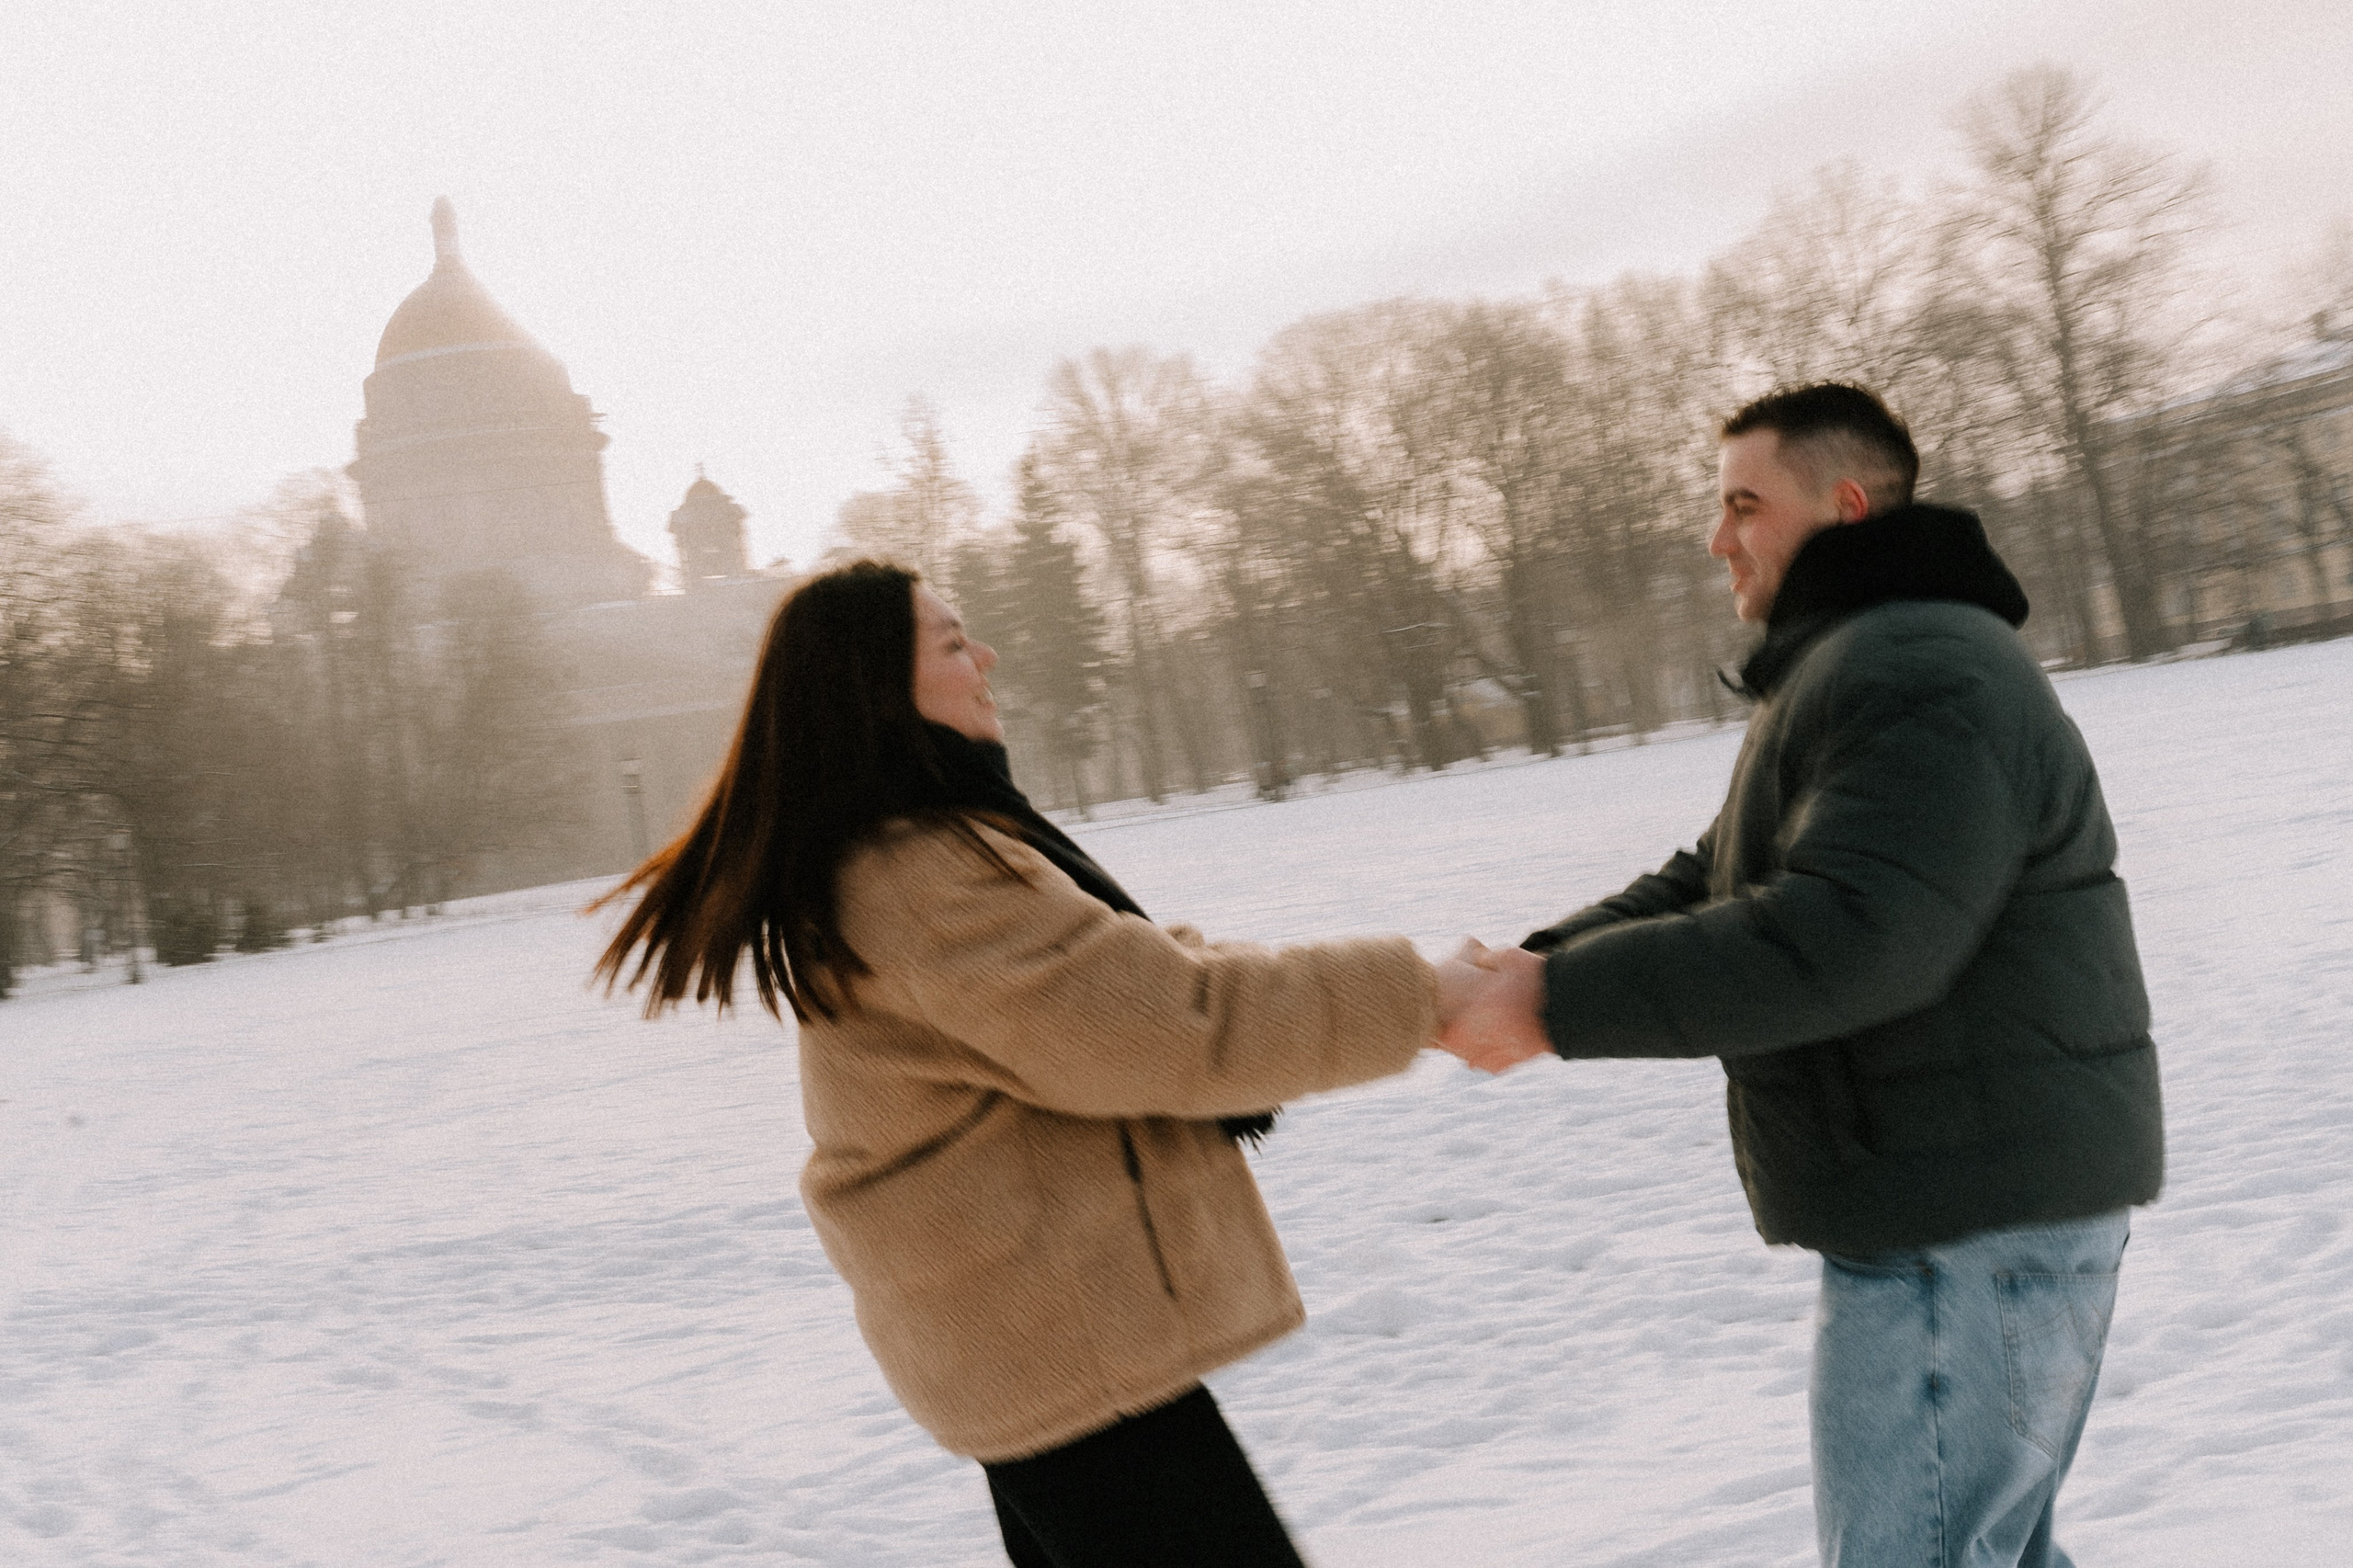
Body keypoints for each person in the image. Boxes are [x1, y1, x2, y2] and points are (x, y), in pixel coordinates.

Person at [595, 559, 1507, 1568]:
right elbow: (1170, 1025)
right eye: (949, 641)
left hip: (1037, 1349)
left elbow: (1142, 974)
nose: (983, 656)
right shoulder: (922, 875)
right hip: (1066, 1353)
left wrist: (1409, 990)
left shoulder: (925, 849)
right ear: (876, 688)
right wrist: (1417, 998)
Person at [1443, 383, 2165, 1567]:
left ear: (1841, 504)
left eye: (1743, 504)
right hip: (1969, 1202)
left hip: (1966, 1219)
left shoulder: (1919, 667)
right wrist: (1535, 962)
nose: (1716, 537)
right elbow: (1720, 876)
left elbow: (1850, 935)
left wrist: (1547, 1005)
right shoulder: (1869, 661)